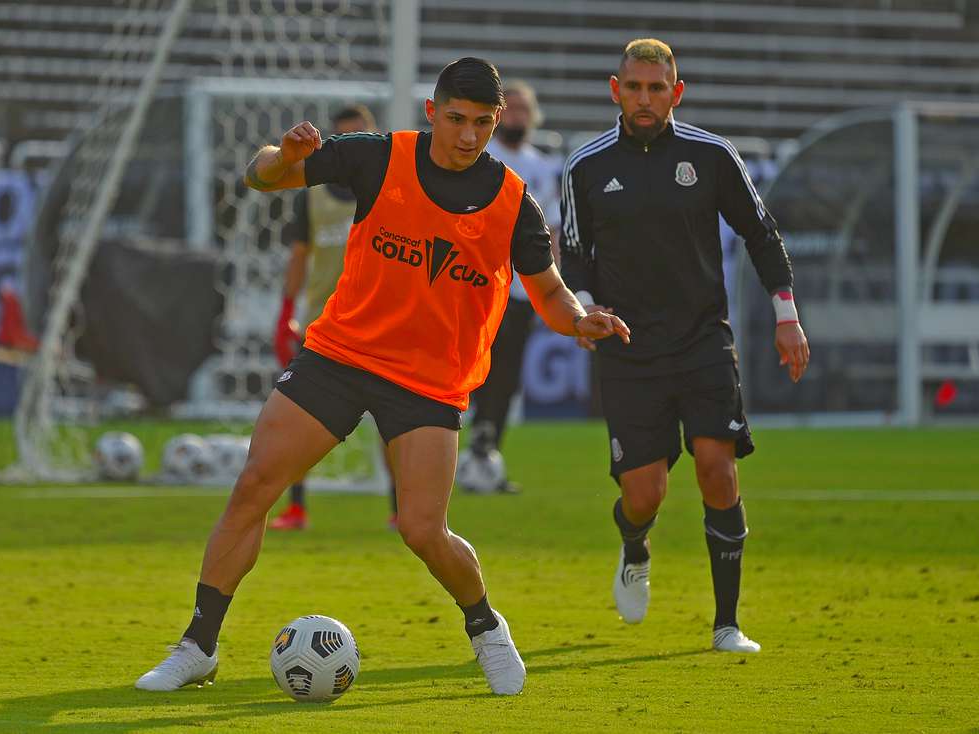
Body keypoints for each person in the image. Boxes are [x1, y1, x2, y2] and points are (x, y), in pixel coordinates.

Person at [135, 57, 629, 696]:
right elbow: (261, 178)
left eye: (482, 123)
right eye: (456, 119)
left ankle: (486, 628)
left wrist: (581, 320)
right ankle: (197, 646)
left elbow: (550, 294)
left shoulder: (514, 203)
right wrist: (282, 155)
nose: (468, 135)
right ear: (432, 112)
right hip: (341, 356)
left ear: (498, 119)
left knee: (424, 530)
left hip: (430, 381)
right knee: (255, 484)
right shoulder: (378, 157)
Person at [560, 39, 809, 653]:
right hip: (627, 345)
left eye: (657, 88)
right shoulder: (585, 166)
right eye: (635, 88)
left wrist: (786, 315)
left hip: (702, 337)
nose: (646, 99)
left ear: (678, 91)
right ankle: (633, 543)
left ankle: (727, 624)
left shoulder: (712, 155)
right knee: (644, 494)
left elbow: (760, 231)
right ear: (614, 90)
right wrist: (586, 308)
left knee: (716, 469)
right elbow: (570, 252)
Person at [267, 104, 400, 531]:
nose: (352, 145)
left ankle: (401, 508)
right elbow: (300, 256)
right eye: (343, 137)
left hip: (380, 324)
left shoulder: (389, 190)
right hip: (321, 326)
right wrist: (286, 311)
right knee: (299, 421)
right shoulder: (313, 196)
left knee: (393, 423)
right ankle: (298, 506)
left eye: (359, 135)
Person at [458, 80, 563, 494]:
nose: (517, 117)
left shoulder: (540, 166)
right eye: (511, 109)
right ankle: (453, 451)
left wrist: (551, 285)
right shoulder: (484, 158)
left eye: (524, 109)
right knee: (471, 372)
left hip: (520, 291)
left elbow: (551, 229)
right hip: (475, 287)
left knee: (506, 376)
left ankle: (486, 458)